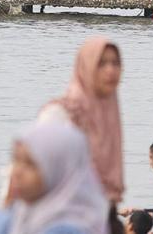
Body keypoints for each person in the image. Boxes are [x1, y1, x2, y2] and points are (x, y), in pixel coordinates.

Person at [40, 37, 124, 233]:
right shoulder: (62, 114)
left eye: (115, 63)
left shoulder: (109, 114)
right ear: (86, 67)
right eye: (101, 63)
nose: (110, 70)